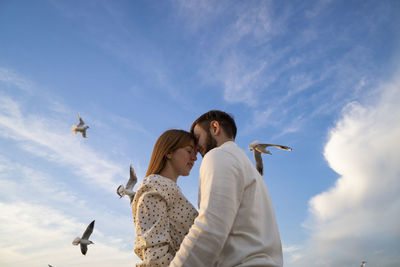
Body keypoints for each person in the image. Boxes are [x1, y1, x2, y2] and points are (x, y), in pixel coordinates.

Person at [170, 110, 283, 267]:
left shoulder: (218, 155)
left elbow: (209, 229)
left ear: (215, 127)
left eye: (197, 138)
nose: (196, 148)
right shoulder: (249, 168)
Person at [132, 129, 198, 267]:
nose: (195, 158)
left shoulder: (166, 189)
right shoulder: (154, 187)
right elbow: (155, 258)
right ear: (169, 152)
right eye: (189, 151)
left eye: (196, 153)